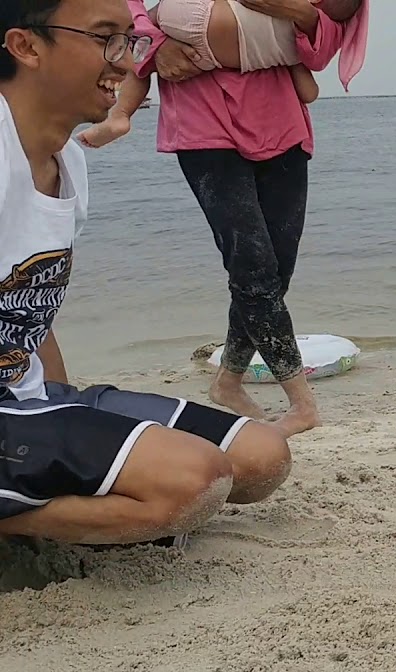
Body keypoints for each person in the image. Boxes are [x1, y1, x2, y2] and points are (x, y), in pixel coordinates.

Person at [0, 0, 294, 546]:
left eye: (129, 40)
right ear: (26, 46)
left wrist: (58, 404)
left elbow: (31, 312)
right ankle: (19, 525)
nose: (126, 62)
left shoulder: (67, 160)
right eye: (103, 38)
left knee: (261, 458)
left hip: (26, 401)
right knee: (192, 482)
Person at [114, 0, 358, 437]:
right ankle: (302, 405)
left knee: (276, 270)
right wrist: (153, 47)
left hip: (279, 121)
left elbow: (321, 50)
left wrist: (296, 12)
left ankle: (228, 381)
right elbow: (128, 14)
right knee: (252, 266)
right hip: (201, 119)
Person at [76, 0, 369, 149]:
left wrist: (150, 40)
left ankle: (120, 114)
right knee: (255, 262)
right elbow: (320, 62)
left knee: (273, 263)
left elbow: (327, 42)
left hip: (277, 121)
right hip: (205, 113)